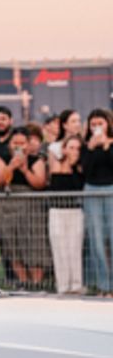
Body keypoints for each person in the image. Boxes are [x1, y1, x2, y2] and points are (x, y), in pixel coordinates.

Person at [0, 127, 47, 288]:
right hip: (6, 205)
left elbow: (40, 183)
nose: (19, 146)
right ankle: (23, 282)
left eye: (22, 143)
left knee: (34, 244)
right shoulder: (1, 159)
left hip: (30, 205)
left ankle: (36, 284)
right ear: (10, 144)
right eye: (15, 143)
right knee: (12, 245)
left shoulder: (36, 160)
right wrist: (11, 167)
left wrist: (25, 170)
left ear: (28, 145)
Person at [48, 135, 86, 295]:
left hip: (75, 211)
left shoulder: (81, 169)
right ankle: (63, 286)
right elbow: (57, 185)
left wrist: (74, 167)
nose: (74, 151)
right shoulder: (56, 165)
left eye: (77, 148)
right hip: (57, 211)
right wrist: (66, 164)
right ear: (64, 149)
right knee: (60, 249)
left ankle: (76, 285)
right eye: (71, 147)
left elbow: (77, 187)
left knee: (74, 248)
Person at [82, 109, 113, 297]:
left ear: (108, 124)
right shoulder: (87, 146)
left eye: (100, 123)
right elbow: (85, 170)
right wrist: (92, 149)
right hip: (92, 189)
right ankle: (104, 285)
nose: (97, 127)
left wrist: (107, 147)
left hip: (111, 189)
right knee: (96, 239)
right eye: (93, 124)